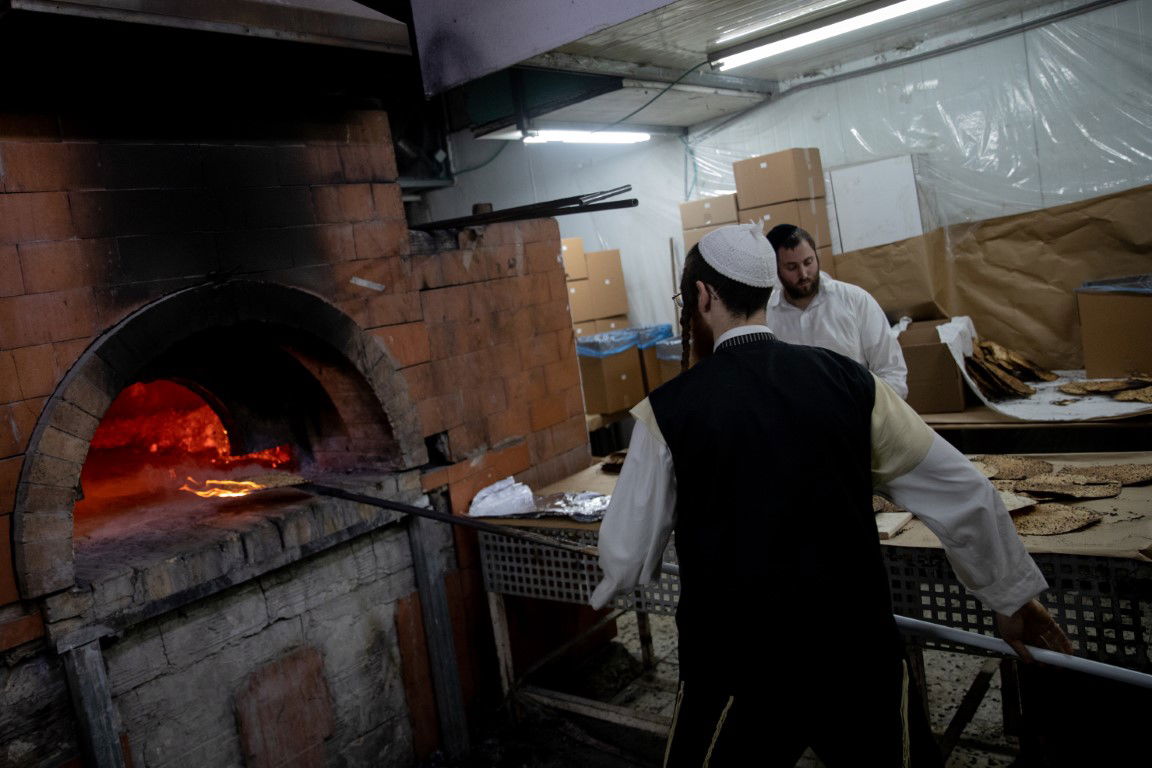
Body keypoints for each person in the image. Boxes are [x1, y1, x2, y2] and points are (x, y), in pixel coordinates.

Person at [591, 224, 1071, 767]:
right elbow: (966, 492)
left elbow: (626, 558)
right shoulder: (853, 383)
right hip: (855, 659)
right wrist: (1009, 597)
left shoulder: (667, 412)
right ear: (769, 289)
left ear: (702, 296)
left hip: (738, 669)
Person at [765, 224, 909, 398]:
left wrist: (869, 413)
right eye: (792, 267)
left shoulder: (855, 301)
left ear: (817, 257)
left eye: (808, 262)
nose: (803, 274)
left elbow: (892, 372)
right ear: (776, 269)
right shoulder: (768, 318)